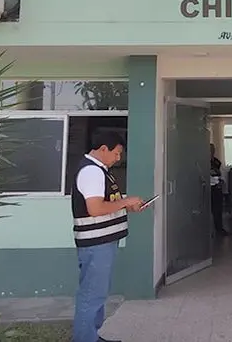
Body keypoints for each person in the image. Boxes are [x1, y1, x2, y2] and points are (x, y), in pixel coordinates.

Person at [71, 130, 146, 342]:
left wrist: (126, 205)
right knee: (91, 295)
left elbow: (106, 201)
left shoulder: (100, 170)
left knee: (97, 294)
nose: (118, 158)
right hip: (96, 244)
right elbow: (95, 208)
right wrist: (125, 201)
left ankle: (92, 336)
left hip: (103, 242)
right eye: (116, 153)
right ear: (104, 149)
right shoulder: (91, 171)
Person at [210, 144, 229, 236]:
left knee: (218, 210)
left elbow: (219, 173)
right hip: (208, 188)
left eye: (213, 149)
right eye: (210, 149)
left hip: (217, 188)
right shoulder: (204, 162)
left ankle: (219, 229)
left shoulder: (216, 162)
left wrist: (221, 180)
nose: (212, 151)